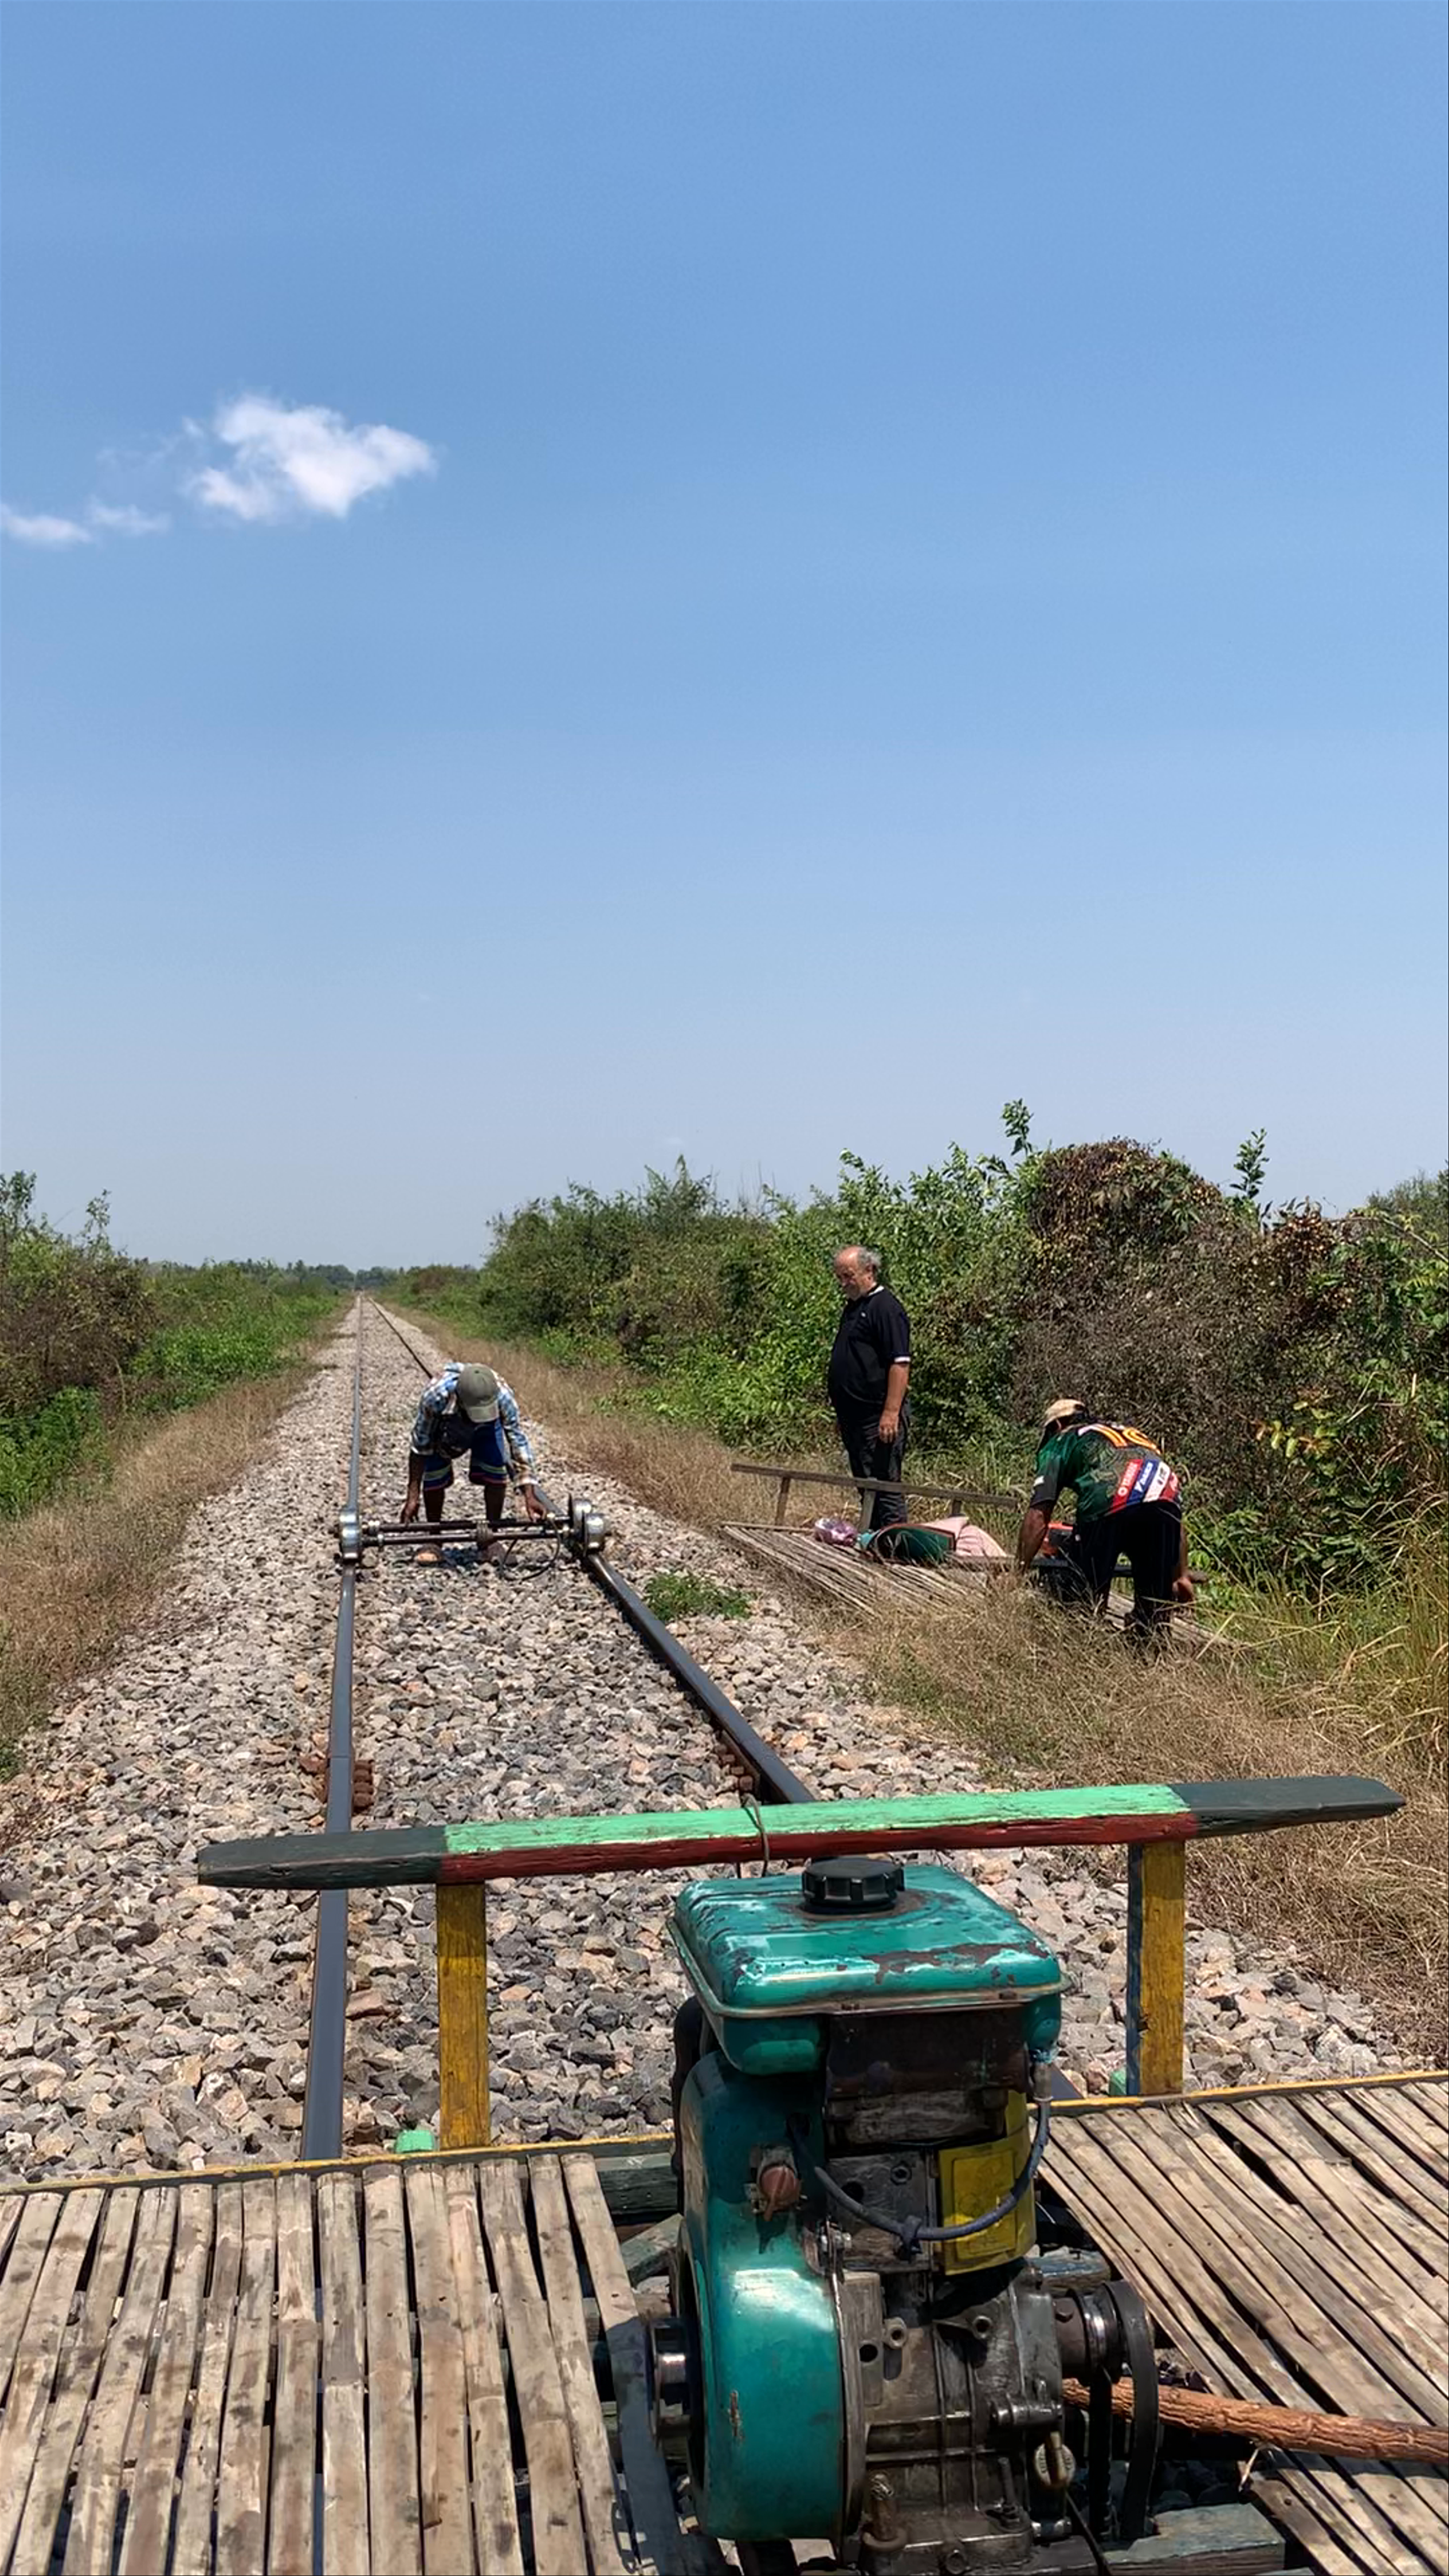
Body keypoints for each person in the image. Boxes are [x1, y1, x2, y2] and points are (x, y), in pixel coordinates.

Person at [1015, 1397, 1194, 1648]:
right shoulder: (1133, 1434)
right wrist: (1181, 1575)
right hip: (1165, 1499)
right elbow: (1175, 1516)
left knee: (1087, 1601)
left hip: (1110, 1498)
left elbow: (1039, 1514)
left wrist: (1018, 1571)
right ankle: (1149, 1660)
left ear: (1056, 1424)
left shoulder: (1061, 1440)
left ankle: (1084, 1654)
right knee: (1155, 1613)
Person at [400, 1361, 545, 1565]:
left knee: (496, 1472)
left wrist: (530, 1494)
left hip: (488, 1428)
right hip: (446, 1423)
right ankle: (435, 1537)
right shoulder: (436, 1397)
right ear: (460, 1400)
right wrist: (412, 1496)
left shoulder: (503, 1397)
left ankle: (491, 1538)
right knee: (434, 1474)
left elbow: (517, 1441)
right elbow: (420, 1446)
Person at [827, 1247, 912, 1532]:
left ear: (869, 1271)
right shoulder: (853, 1308)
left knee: (884, 1484)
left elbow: (900, 1363)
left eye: (848, 1276)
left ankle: (897, 1550)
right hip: (855, 1416)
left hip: (878, 1416)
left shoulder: (886, 1308)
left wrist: (891, 1412)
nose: (843, 1283)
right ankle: (874, 1540)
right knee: (865, 1483)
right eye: (839, 1277)